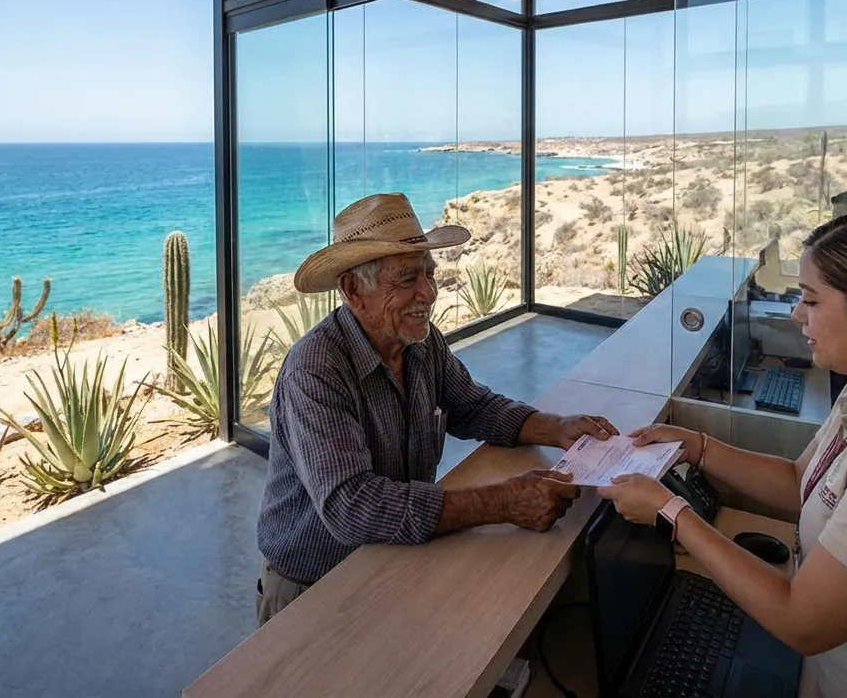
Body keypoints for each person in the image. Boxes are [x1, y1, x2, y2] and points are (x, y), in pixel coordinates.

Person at [600, 209, 847, 698]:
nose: (795, 313)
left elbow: (802, 621)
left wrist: (671, 512)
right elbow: (804, 483)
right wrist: (697, 448)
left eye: (811, 299)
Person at [256, 192, 617, 626]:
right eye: (406, 278)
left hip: (395, 557)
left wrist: (557, 428)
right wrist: (503, 502)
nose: (428, 292)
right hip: (313, 585)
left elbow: (473, 406)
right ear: (354, 290)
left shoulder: (421, 342)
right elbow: (353, 507)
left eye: (429, 273)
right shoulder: (315, 371)